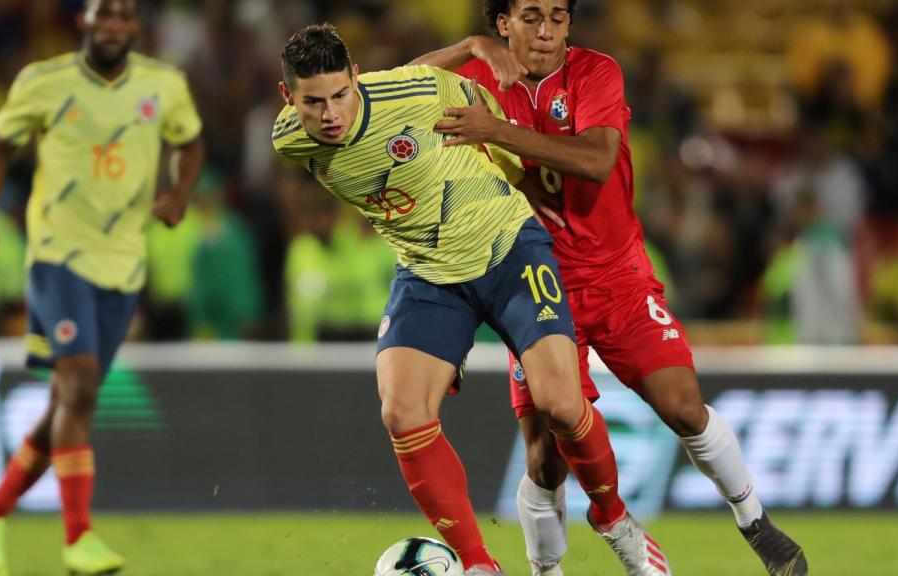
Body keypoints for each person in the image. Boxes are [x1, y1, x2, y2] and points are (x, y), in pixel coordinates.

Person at [412, 1, 808, 575]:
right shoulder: (477, 78)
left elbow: (598, 160)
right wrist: (467, 48)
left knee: (683, 406)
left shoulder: (595, 72)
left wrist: (495, 131)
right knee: (544, 459)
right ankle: (546, 570)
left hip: (616, 274)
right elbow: (396, 88)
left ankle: (756, 524)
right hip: (535, 284)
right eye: (530, 16)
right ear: (502, 24)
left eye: (557, 17)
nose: (546, 31)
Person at [273, 23, 656, 576]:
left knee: (561, 404)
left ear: (357, 78)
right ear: (288, 98)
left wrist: (477, 57)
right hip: (429, 273)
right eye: (314, 102)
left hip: (507, 248)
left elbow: (436, 88)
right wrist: (470, 45)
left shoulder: (416, 92)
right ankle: (479, 565)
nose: (331, 114)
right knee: (401, 412)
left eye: (340, 94)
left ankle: (614, 518)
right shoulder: (288, 137)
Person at [0, 1, 204, 574]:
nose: (114, 25)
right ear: (84, 21)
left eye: (124, 15)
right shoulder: (43, 83)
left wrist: (179, 192)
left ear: (135, 25)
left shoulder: (164, 85)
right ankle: (79, 538)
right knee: (79, 383)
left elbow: (191, 142)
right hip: (58, 256)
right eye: (104, 13)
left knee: (69, 399)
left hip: (123, 264)